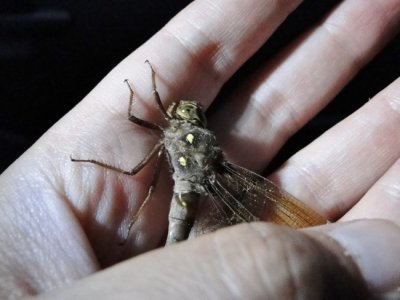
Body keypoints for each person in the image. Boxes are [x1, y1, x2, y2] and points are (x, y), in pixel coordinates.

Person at [0, 1, 399, 299]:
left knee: (144, 181)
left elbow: (140, 151)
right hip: (200, 189)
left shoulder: (166, 131)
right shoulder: (196, 141)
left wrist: (139, 95)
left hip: (184, 191)